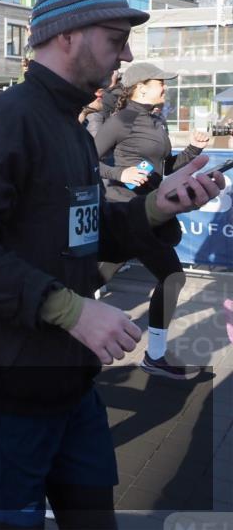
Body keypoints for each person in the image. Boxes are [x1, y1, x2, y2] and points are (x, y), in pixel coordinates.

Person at [0, 0, 225, 530]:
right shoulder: (6, 120)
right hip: (2, 383)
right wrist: (73, 310)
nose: (126, 55)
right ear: (67, 36)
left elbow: (82, 229)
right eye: (115, 38)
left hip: (66, 379)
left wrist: (157, 208)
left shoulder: (71, 128)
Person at [94, 61, 211, 378]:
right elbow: (87, 159)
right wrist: (121, 173)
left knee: (95, 278)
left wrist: (193, 149)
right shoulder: (121, 120)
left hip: (151, 210)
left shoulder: (157, 120)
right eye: (161, 82)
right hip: (125, 211)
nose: (166, 87)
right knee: (173, 276)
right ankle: (155, 355)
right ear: (141, 87)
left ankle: (57, 331)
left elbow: (166, 167)